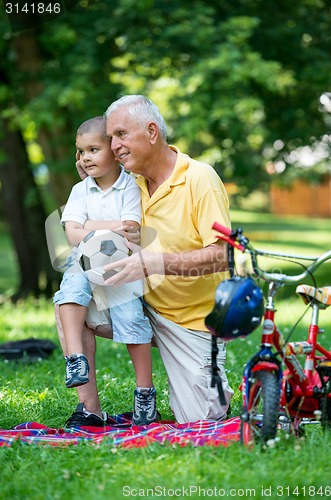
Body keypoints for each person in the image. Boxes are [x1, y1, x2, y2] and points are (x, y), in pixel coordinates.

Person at [56, 95, 234, 426]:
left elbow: (223, 255)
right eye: (109, 139)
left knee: (202, 420)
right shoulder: (128, 181)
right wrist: (89, 168)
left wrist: (153, 263)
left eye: (121, 134)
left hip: (190, 322)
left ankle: (208, 381)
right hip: (136, 303)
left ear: (151, 131)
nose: (114, 145)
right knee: (70, 297)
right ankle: (89, 409)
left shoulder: (199, 178)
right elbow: (85, 215)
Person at [53, 116, 157, 426]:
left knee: (133, 321)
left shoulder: (129, 187)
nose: (85, 158)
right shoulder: (80, 190)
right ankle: (76, 359)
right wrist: (105, 227)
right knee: (69, 291)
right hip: (83, 262)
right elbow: (71, 235)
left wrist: (87, 226)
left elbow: (130, 231)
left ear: (113, 150)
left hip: (120, 266)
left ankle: (145, 392)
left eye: (93, 149)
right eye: (81, 151)